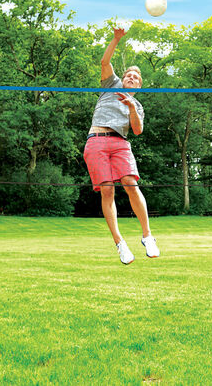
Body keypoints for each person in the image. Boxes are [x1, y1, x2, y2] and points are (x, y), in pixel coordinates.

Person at [83, 27, 159, 264]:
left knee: (130, 184)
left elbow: (137, 130)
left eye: (135, 78)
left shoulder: (138, 105)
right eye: (129, 75)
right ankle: (120, 243)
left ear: (138, 86)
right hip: (96, 141)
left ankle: (147, 236)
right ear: (122, 78)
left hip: (120, 143)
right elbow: (105, 61)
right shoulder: (111, 84)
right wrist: (116, 39)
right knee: (107, 190)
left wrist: (131, 107)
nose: (131, 78)